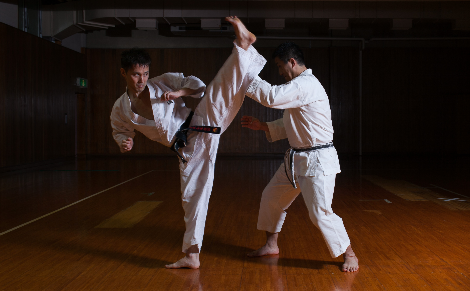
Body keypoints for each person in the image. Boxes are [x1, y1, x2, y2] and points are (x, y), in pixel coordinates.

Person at [110, 16, 266, 269]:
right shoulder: (120, 108)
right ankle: (192, 255)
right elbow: (120, 130)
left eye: (145, 73)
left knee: (219, 89)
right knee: (192, 198)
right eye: (136, 74)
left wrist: (180, 92)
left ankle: (243, 44)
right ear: (124, 73)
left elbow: (198, 85)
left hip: (201, 121)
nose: (141, 80)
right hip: (189, 148)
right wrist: (124, 142)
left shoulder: (162, 82)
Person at [241, 41, 359, 272]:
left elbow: (272, 97)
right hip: (296, 160)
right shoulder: (299, 86)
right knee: (271, 197)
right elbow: (294, 123)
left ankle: (350, 254)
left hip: (317, 161)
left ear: (292, 62)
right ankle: (271, 245)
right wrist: (263, 126)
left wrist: (245, 77)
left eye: (279, 66)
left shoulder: (306, 84)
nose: (279, 72)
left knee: (320, 214)